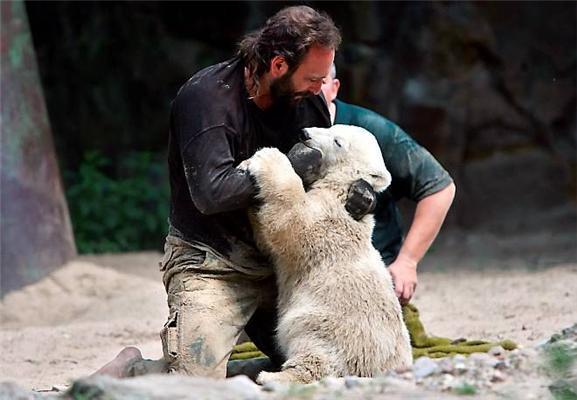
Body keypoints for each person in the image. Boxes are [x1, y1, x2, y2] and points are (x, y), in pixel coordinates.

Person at [94, 5, 375, 380]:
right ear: (278, 66)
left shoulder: (306, 102)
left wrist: (360, 193)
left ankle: (246, 376)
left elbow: (327, 175)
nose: (319, 89)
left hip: (283, 263)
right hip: (212, 262)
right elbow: (211, 193)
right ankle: (133, 371)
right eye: (312, 78)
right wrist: (287, 171)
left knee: (334, 360)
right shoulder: (207, 99)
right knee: (193, 382)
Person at [321, 64, 456, 305]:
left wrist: (407, 262)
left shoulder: (368, 129)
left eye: (319, 82)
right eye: (305, 82)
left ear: (334, 87)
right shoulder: (281, 127)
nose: (310, 91)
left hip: (369, 272)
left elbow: (439, 187)